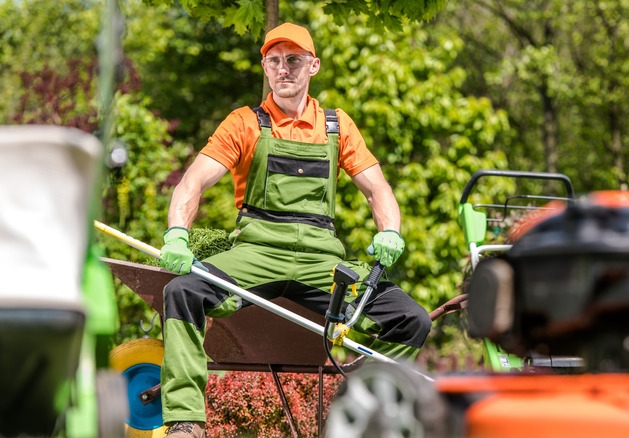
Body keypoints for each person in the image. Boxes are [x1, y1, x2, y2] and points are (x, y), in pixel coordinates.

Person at [158, 22, 432, 438]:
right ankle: (186, 422)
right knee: (182, 293)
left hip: (323, 262)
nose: (283, 69)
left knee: (411, 319)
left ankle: (364, 418)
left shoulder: (338, 126)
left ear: (313, 66)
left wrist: (390, 231)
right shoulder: (245, 123)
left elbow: (378, 188)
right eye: (274, 61)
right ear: (265, 68)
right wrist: (177, 233)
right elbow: (192, 182)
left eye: (293, 60)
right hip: (255, 253)